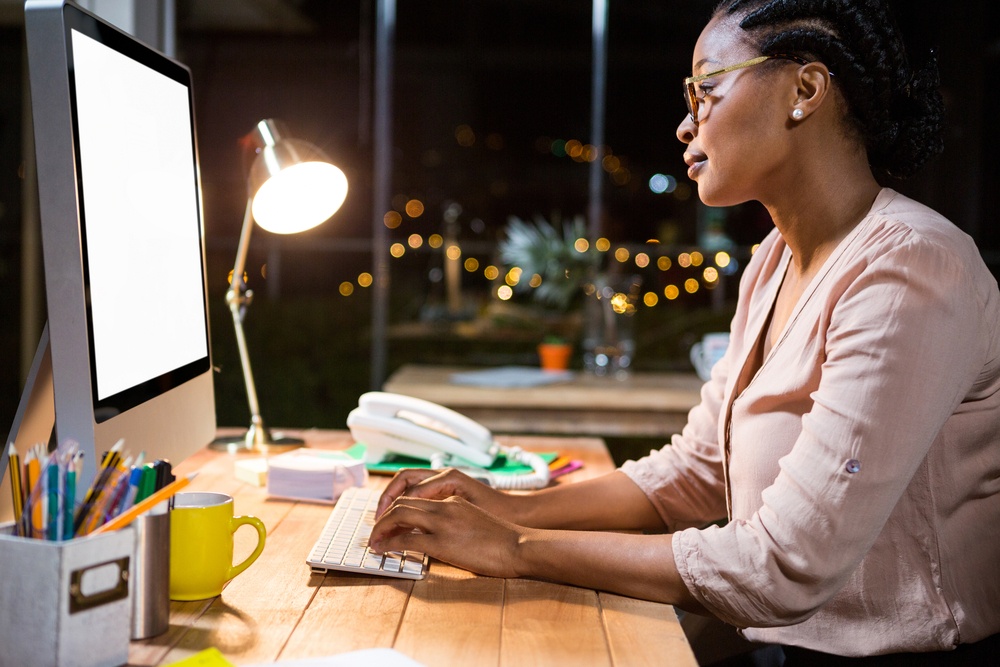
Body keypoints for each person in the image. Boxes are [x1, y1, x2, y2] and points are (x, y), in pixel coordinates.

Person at [369, 0, 1000, 662]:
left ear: (804, 90)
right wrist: (506, 505)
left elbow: (780, 568)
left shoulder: (910, 268)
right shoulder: (774, 262)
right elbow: (698, 471)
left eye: (705, 90)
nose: (683, 124)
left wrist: (513, 547)